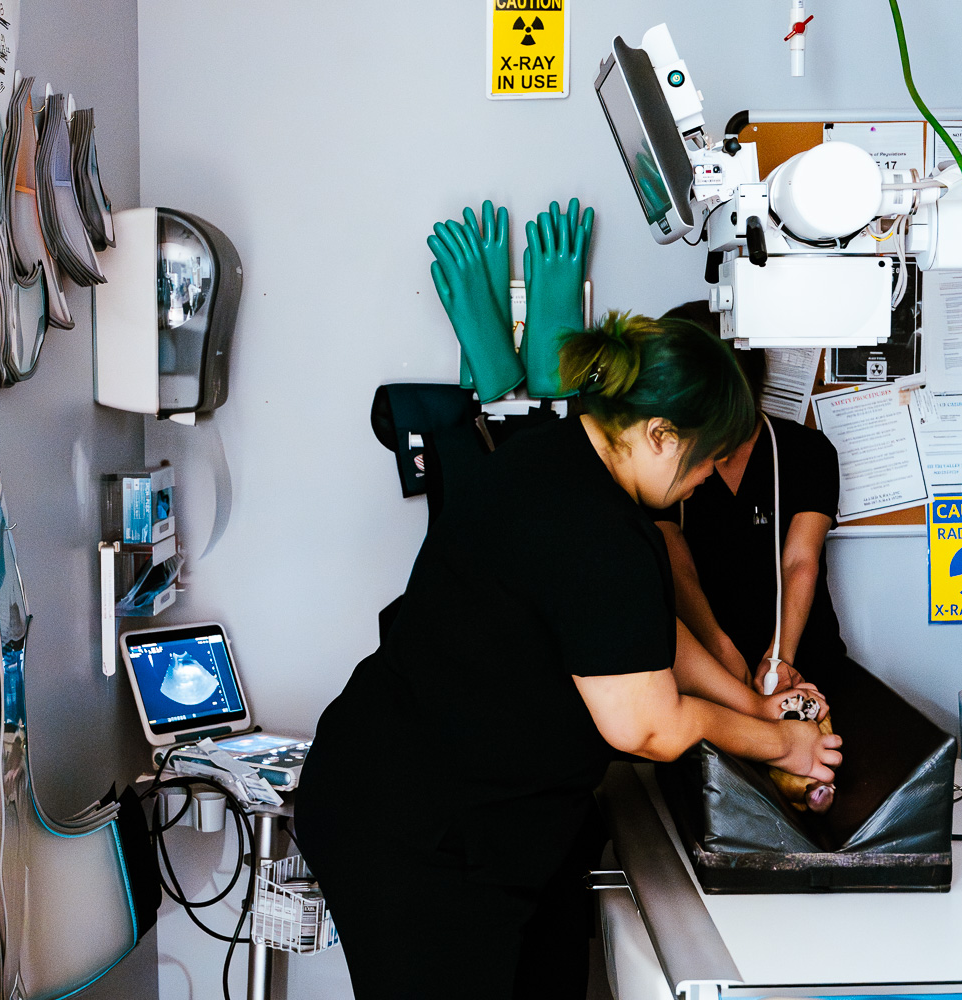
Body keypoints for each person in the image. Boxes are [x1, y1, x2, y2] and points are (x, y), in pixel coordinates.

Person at [294, 312, 842, 1000]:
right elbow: (648, 725)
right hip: (420, 830)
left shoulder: (556, 458)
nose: (707, 478)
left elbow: (644, 632)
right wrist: (777, 744)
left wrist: (751, 700)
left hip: (471, 812)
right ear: (659, 435)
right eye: (705, 458)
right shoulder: (591, 528)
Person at [654, 303, 846, 807]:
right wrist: (723, 658)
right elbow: (678, 569)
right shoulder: (666, 462)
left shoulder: (807, 454)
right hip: (705, 673)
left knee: (814, 795)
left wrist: (780, 657)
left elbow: (799, 561)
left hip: (800, 661)